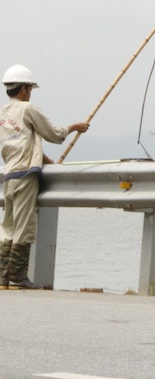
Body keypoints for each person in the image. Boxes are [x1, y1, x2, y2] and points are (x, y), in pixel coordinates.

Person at [0, 64, 89, 289]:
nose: (30, 93)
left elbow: (24, 143)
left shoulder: (2, 114)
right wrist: (73, 127)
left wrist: (48, 161)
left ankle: (3, 278)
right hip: (26, 176)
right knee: (23, 227)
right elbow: (54, 135)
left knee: (8, 228)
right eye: (29, 88)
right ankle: (18, 278)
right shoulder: (29, 109)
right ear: (23, 89)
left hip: (9, 175)